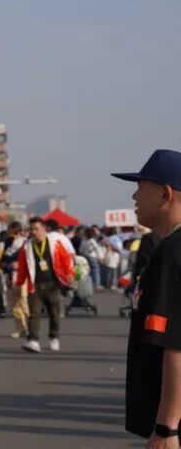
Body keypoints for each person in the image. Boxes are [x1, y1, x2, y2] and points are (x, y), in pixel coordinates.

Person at [114, 150, 181, 447]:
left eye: (141, 187)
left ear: (165, 194)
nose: (134, 197)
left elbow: (176, 344)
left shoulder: (173, 252)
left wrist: (168, 427)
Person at [16, 217, 75, 354]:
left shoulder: (55, 243)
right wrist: (19, 283)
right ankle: (33, 340)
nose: (34, 232)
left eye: (36, 229)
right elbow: (23, 267)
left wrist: (69, 274)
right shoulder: (26, 247)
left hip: (53, 284)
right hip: (35, 285)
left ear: (44, 229)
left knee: (54, 313)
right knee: (34, 313)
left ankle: (54, 337)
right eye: (31, 229)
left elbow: (66, 259)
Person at [3, 222, 30, 339]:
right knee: (14, 305)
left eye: (13, 233)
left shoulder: (27, 244)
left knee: (24, 301)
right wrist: (9, 266)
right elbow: (2, 261)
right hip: (10, 276)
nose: (11, 236)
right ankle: (20, 328)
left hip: (23, 276)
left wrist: (20, 265)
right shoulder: (8, 243)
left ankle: (30, 327)